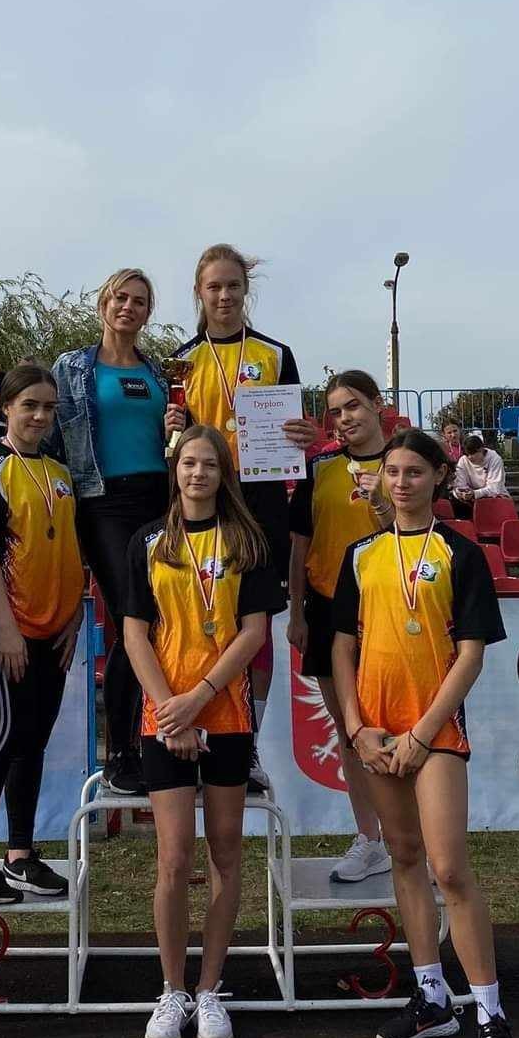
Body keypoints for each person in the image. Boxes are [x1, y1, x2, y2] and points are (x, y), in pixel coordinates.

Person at [330, 428, 519, 1038]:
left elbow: (470, 654)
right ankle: (432, 996)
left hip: (432, 733)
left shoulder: (460, 554)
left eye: (414, 471)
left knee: (450, 869)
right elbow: (341, 648)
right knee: (406, 857)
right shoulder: (360, 555)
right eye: (393, 471)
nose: (402, 482)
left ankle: (491, 1014)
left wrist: (421, 732)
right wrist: (356, 728)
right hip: (375, 733)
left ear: (440, 477)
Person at [123, 425, 283, 1038]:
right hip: (163, 717)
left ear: (223, 473)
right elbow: (135, 634)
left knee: (225, 853)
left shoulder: (247, 541)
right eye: (189, 463)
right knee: (173, 858)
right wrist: (174, 709)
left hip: (227, 714)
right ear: (176, 469)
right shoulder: (149, 541)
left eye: (209, 464)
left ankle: (210, 988)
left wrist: (200, 699)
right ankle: (171, 990)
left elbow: (253, 632)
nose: (198, 474)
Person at [165, 244, 316, 794]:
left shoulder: (275, 354)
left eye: (233, 285)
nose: (224, 295)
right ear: (199, 293)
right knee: (205, 617)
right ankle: (198, 731)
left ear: (245, 290)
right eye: (214, 287)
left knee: (257, 627)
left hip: (262, 504)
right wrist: (171, 429)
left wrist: (303, 433)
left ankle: (246, 743)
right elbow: (176, 448)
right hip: (206, 503)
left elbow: (297, 430)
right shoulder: (181, 361)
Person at [0, 363, 85, 904]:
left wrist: (75, 614)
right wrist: (5, 627)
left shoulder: (60, 471)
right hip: (7, 622)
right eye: (29, 405)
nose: (39, 416)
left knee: (33, 739)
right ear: (5, 407)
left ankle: (21, 853)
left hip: (55, 625)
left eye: (49, 407)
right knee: (4, 731)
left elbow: (70, 546)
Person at [49, 268, 169, 797]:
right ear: (103, 303)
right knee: (130, 619)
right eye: (120, 298)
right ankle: (121, 750)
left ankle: (155, 737)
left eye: (139, 301)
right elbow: (47, 434)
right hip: (103, 500)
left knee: (159, 619)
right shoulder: (73, 367)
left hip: (160, 499)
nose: (128, 307)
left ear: (148, 313)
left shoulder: (159, 370)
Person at [287, 370, 395, 883]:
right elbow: (300, 544)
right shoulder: (320, 467)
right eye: (335, 411)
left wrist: (382, 500)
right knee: (350, 731)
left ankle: (408, 837)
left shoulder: (404, 463)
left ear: (377, 404)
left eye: (353, 405)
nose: (345, 418)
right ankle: (369, 840)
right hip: (329, 610)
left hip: (389, 610)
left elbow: (420, 534)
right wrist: (296, 610)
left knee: (397, 727)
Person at [452, 435, 511, 514]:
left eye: (472, 454)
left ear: (481, 450)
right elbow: (459, 484)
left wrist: (475, 493)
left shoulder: (495, 459)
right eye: (467, 454)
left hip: (494, 498)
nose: (469, 457)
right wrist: (460, 493)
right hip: (471, 500)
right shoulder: (463, 460)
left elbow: (495, 488)